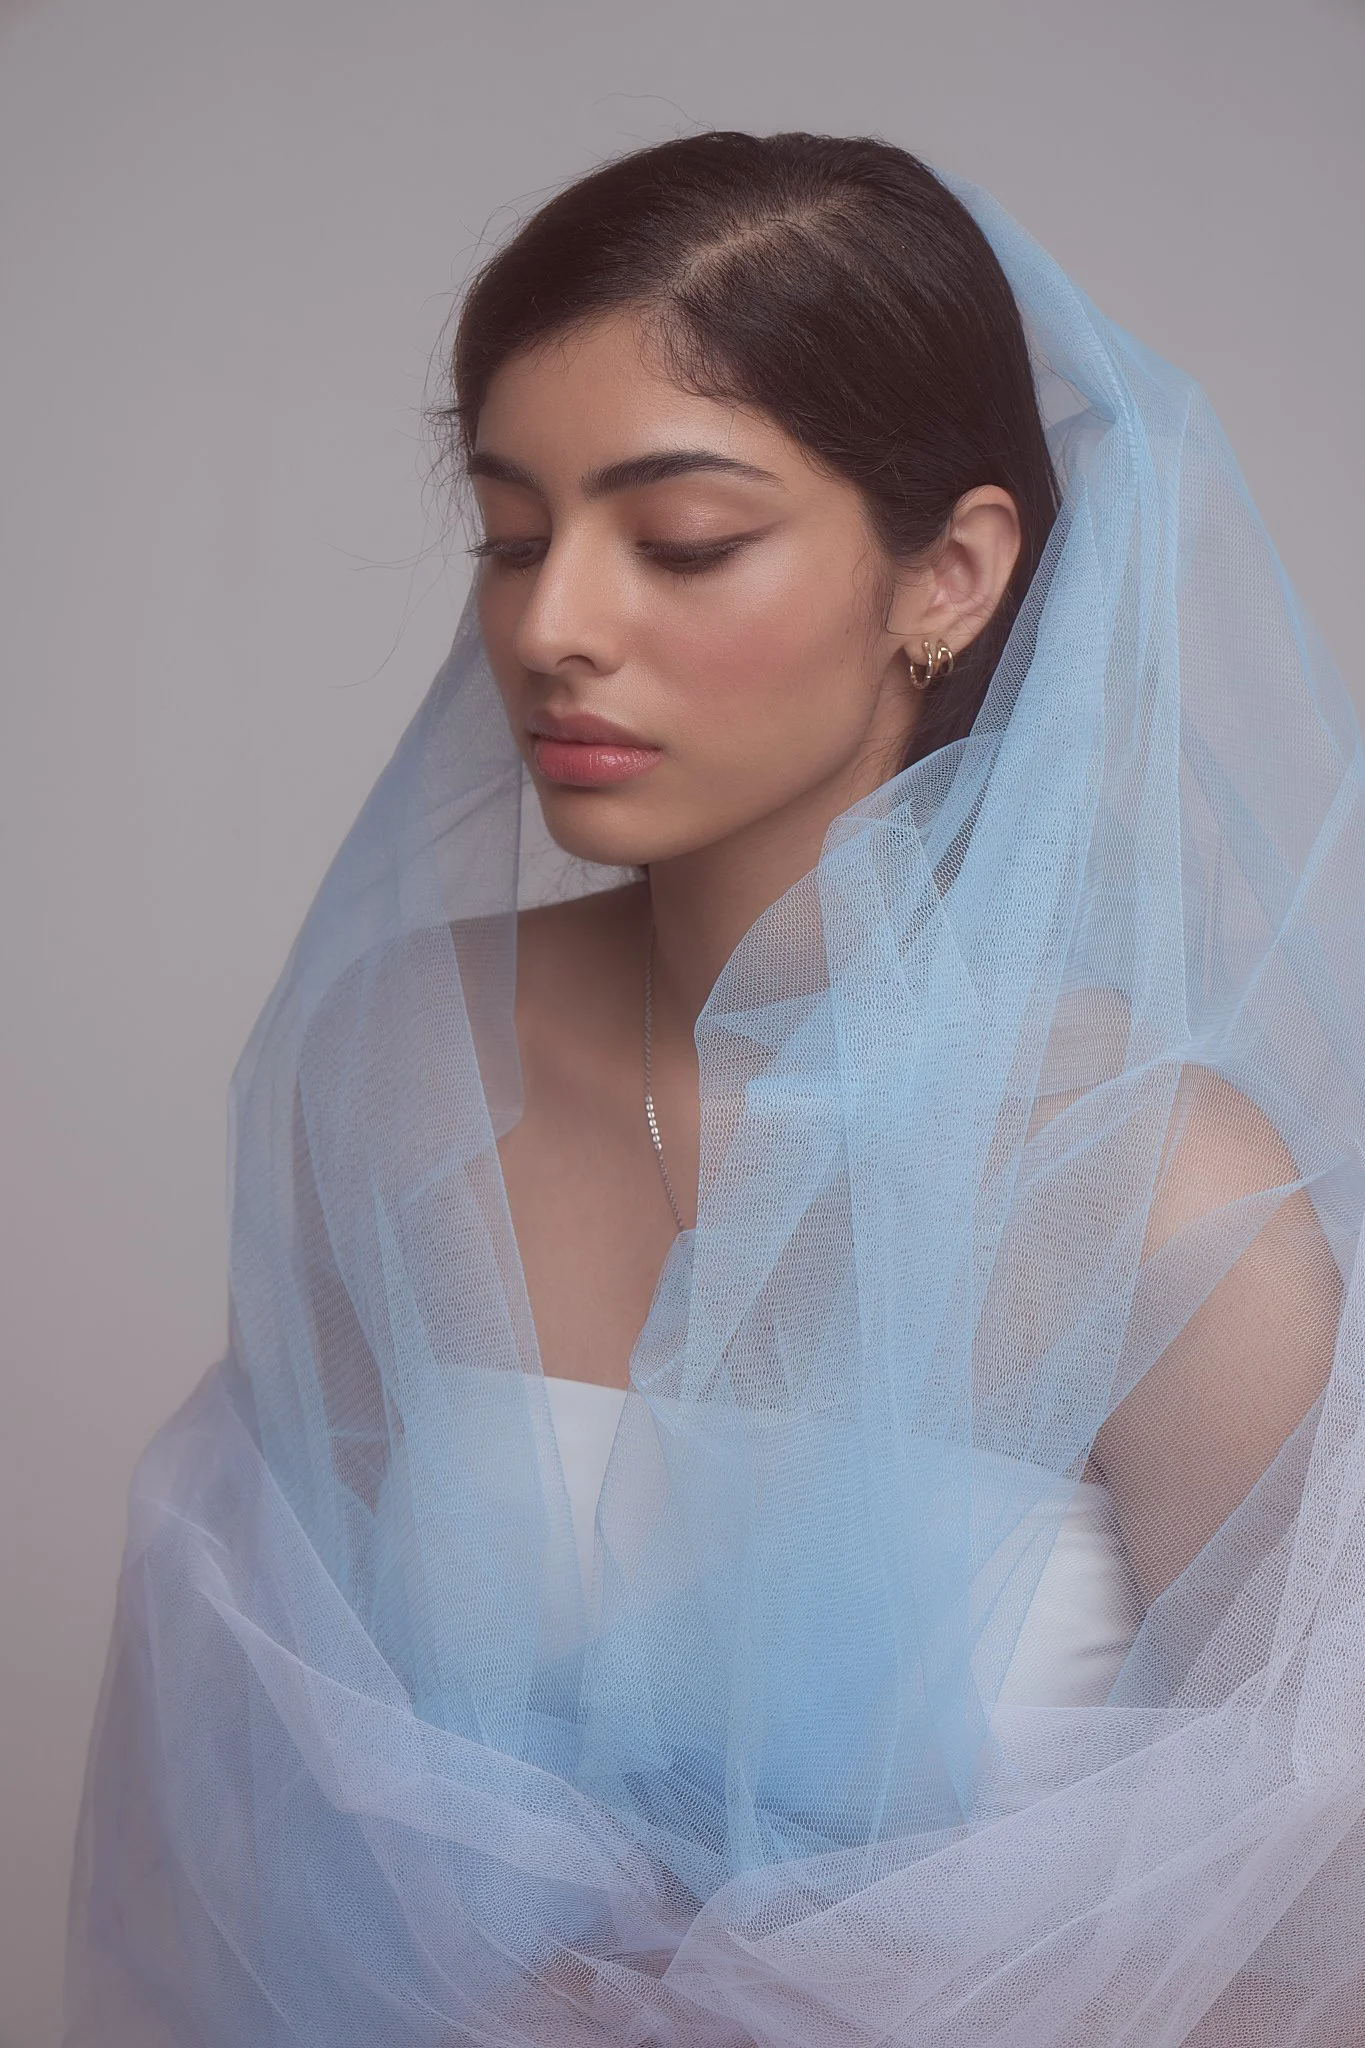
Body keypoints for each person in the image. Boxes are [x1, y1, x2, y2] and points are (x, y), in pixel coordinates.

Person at [64, 131, 1364, 2046]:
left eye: (678, 541)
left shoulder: (1168, 1206)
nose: (552, 625)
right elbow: (259, 1764)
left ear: (951, 572)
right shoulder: (402, 1069)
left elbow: (1287, 1940)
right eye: (513, 535)